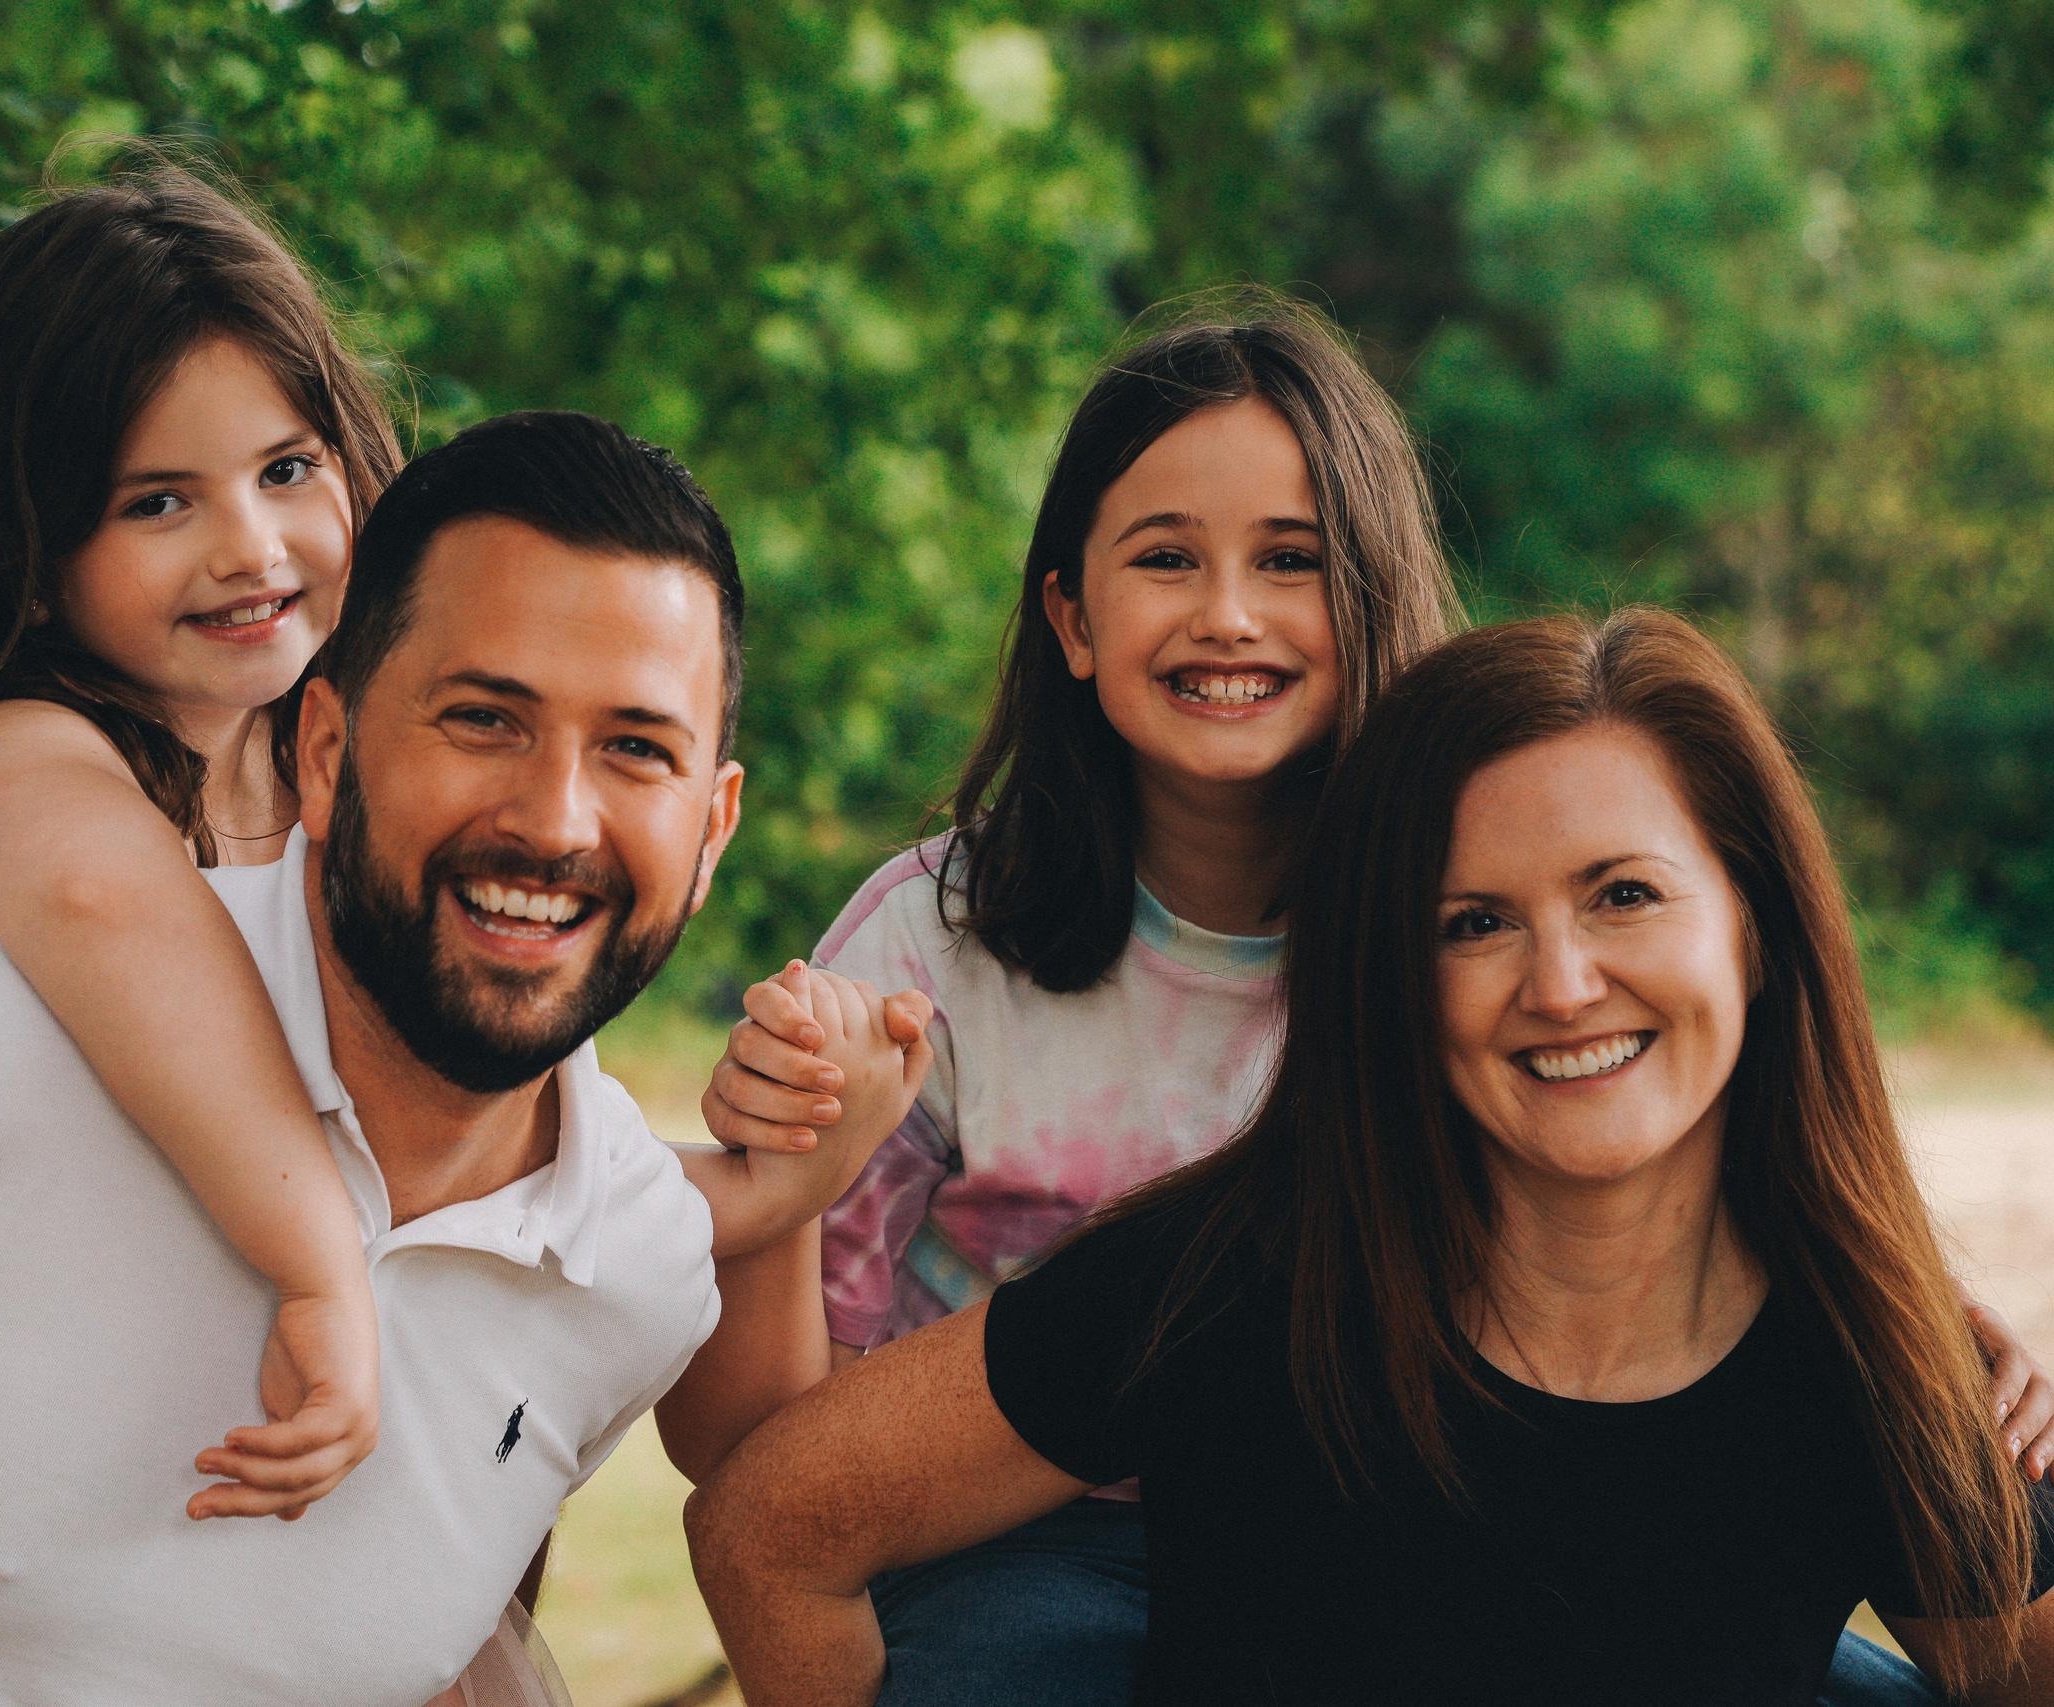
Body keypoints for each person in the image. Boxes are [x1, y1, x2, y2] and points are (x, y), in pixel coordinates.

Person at [670, 298, 2054, 1707]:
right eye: (1167, 559)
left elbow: (1688, 1155)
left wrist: (1910, 1320)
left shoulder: (1455, 859)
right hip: (1033, 1507)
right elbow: (767, 1483)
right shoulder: (948, 953)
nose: (1227, 613)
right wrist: (788, 1178)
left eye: (1291, 560)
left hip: (1416, 1473)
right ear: (1071, 617)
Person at [0, 407, 927, 1705]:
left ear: (716, 825)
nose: (555, 819)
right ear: (322, 749)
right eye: (483, 719)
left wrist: (797, 1159)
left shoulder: (633, 1274)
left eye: (635, 750)